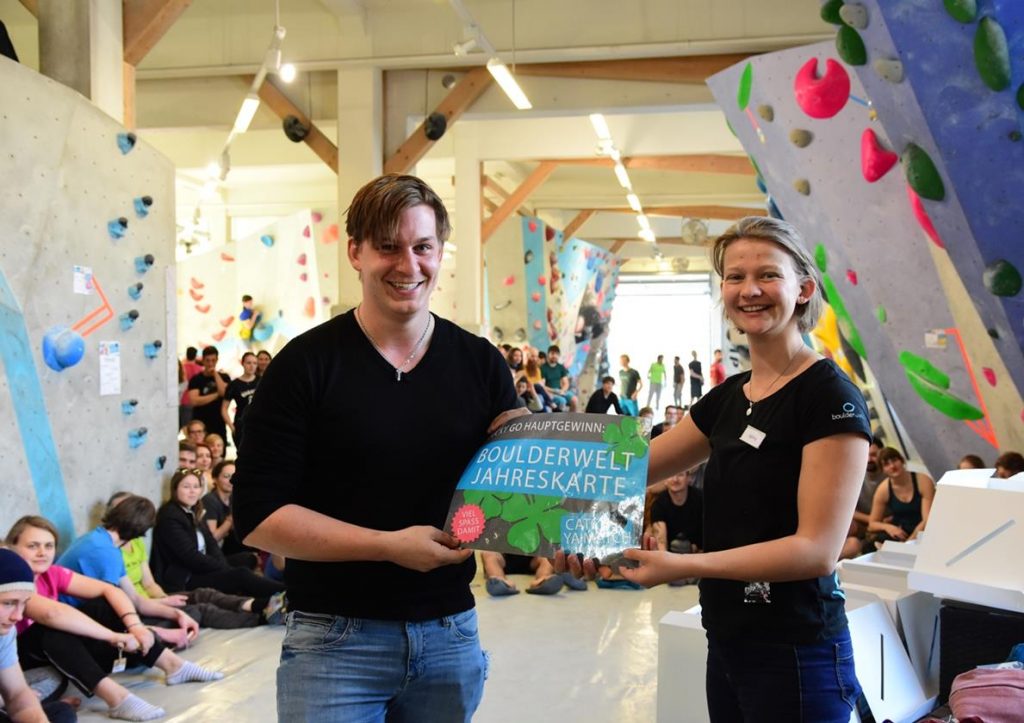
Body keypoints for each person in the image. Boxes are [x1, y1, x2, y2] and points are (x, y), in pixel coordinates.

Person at [232, 173, 521, 722]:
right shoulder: (305, 365)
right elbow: (258, 516)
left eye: (423, 247)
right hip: (334, 641)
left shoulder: (482, 364)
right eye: (388, 246)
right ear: (356, 253)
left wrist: (576, 506)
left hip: (450, 632)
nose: (408, 265)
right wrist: (388, 545)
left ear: (440, 252)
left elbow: (518, 490)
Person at [580, 216, 871, 721]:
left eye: (767, 275)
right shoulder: (727, 399)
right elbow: (630, 469)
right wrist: (518, 465)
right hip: (729, 639)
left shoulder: (829, 398)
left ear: (803, 289)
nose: (748, 290)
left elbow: (816, 551)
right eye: (734, 277)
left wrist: (684, 565)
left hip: (798, 652)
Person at [7, 517, 221, 722]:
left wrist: (136, 627)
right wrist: (115, 636)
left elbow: (110, 590)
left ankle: (172, 665)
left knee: (103, 606)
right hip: (19, 659)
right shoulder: (11, 582)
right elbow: (52, 614)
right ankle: (117, 699)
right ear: (12, 547)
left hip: (59, 649)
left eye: (49, 546)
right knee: (51, 630)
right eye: (33, 546)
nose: (42, 553)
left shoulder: (52, 574)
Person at [105, 492, 278, 630]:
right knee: (201, 609)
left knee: (206, 594)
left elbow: (149, 584)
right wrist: (163, 604)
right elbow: (132, 599)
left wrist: (165, 598)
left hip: (154, 597)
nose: (130, 514)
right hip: (141, 605)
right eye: (124, 509)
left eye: (196, 487)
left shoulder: (136, 541)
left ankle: (270, 603)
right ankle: (262, 617)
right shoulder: (106, 548)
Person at [151, 469, 284, 599]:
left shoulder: (192, 510)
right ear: (175, 490)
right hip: (185, 577)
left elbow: (211, 543)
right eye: (186, 487)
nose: (192, 491)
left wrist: (224, 568)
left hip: (201, 565)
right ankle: (284, 592)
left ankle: (257, 597)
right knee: (240, 575)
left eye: (196, 487)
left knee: (246, 559)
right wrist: (223, 570)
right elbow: (190, 557)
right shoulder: (170, 516)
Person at [0, 548, 77, 723]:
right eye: (8, 603)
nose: (17, 616)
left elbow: (17, 694)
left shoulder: (4, 632)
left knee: (61, 712)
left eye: (23, 604)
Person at [647, 467, 703, 584]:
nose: (675, 479)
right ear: (665, 480)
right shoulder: (659, 504)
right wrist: (667, 568)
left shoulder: (701, 499)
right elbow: (661, 541)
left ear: (689, 478)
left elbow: (708, 533)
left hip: (696, 552)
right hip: (671, 553)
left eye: (680, 475)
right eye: (671, 475)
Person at [867, 448, 935, 543]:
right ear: (882, 470)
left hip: (926, 528)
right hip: (902, 532)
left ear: (902, 460)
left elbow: (927, 519)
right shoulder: (883, 489)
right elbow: (872, 524)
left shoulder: (923, 480)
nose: (892, 466)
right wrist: (889, 528)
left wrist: (908, 543)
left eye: (894, 460)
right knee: (870, 545)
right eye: (886, 464)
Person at [202, 461, 258, 567]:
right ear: (215, 479)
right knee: (249, 559)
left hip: (228, 548)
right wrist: (230, 520)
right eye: (226, 476)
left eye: (234, 476)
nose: (231, 480)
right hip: (213, 555)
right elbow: (213, 539)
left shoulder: (233, 498)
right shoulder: (210, 500)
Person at [840, 436, 886, 559]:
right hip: (863, 523)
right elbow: (847, 509)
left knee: (854, 544)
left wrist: (877, 522)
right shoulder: (852, 476)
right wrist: (871, 519)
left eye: (874, 455)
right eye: (865, 455)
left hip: (884, 523)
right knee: (849, 526)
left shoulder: (890, 475)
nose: (869, 459)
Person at [479, 553, 584, 596]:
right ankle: (498, 579)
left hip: (533, 556)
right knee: (488, 554)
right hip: (504, 556)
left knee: (547, 556)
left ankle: (543, 579)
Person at [186, 346, 230, 443]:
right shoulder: (196, 379)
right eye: (208, 360)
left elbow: (223, 393)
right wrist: (216, 395)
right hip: (201, 423)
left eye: (213, 360)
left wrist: (215, 374)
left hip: (218, 423)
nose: (210, 363)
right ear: (203, 360)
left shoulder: (224, 377)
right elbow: (194, 401)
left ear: (217, 360)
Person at [222, 352, 259, 450]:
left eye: (255, 363)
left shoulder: (261, 381)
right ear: (242, 363)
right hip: (241, 424)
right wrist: (231, 426)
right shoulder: (234, 384)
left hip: (258, 424)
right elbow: (224, 408)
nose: (252, 366)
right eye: (249, 363)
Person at [540, 345, 577, 412]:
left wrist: (562, 391)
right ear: (548, 354)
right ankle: (560, 420)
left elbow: (566, 383)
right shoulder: (543, 368)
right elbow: (542, 386)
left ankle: (571, 419)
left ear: (559, 356)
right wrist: (554, 391)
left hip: (560, 391)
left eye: (557, 354)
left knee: (574, 400)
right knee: (562, 401)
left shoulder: (561, 367)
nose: (554, 356)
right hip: (549, 392)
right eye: (552, 353)